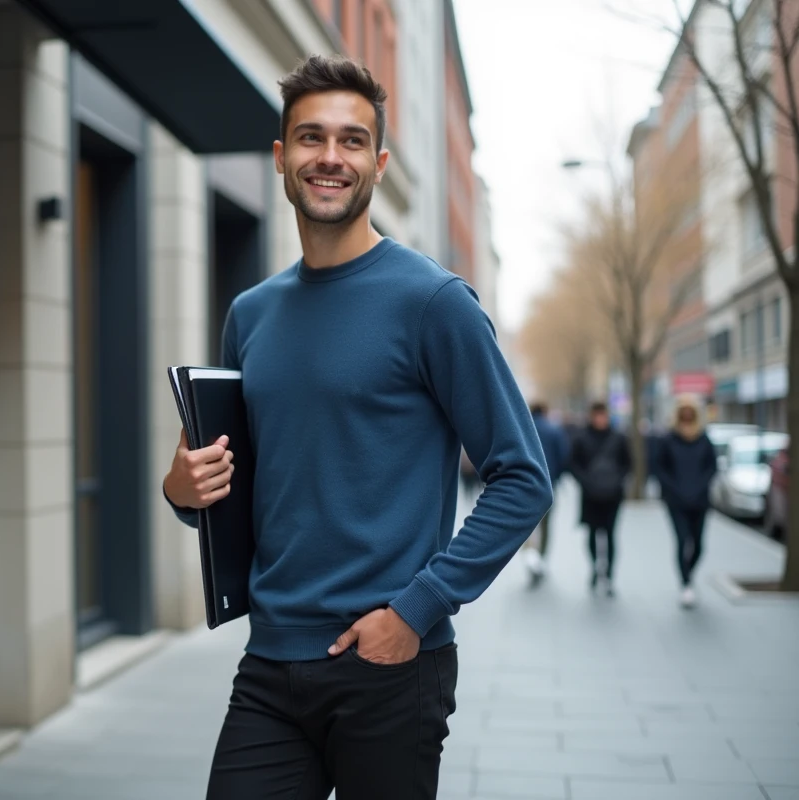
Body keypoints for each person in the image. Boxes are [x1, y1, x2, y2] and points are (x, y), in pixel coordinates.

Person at [161, 54, 552, 800]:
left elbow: (522, 477)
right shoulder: (251, 314)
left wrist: (416, 610)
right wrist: (183, 488)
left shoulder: (434, 303)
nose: (329, 158)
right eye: (311, 138)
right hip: (270, 665)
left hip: (391, 667)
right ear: (282, 158)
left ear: (377, 161)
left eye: (349, 140)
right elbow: (234, 488)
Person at [652, 396, 717, 608]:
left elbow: (712, 468)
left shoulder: (704, 439)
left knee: (698, 545)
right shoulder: (669, 440)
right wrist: (674, 489)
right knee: (682, 541)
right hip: (676, 501)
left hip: (699, 501)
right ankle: (686, 583)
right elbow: (660, 468)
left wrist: (700, 486)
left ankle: (689, 571)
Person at [569, 401, 631, 596]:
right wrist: (585, 482)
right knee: (593, 534)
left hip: (612, 496)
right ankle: (596, 567)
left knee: (611, 535)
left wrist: (617, 481)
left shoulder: (618, 437)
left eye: (602, 415)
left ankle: (610, 575)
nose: (600, 419)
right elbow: (572, 463)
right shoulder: (582, 437)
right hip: (590, 495)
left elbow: (628, 463)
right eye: (597, 415)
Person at [524, 402, 569, 584]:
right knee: (546, 526)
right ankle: (541, 558)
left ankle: (531, 559)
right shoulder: (554, 430)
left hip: (525, 486)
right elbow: (564, 456)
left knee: (527, 527)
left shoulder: (522, 429)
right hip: (548, 485)